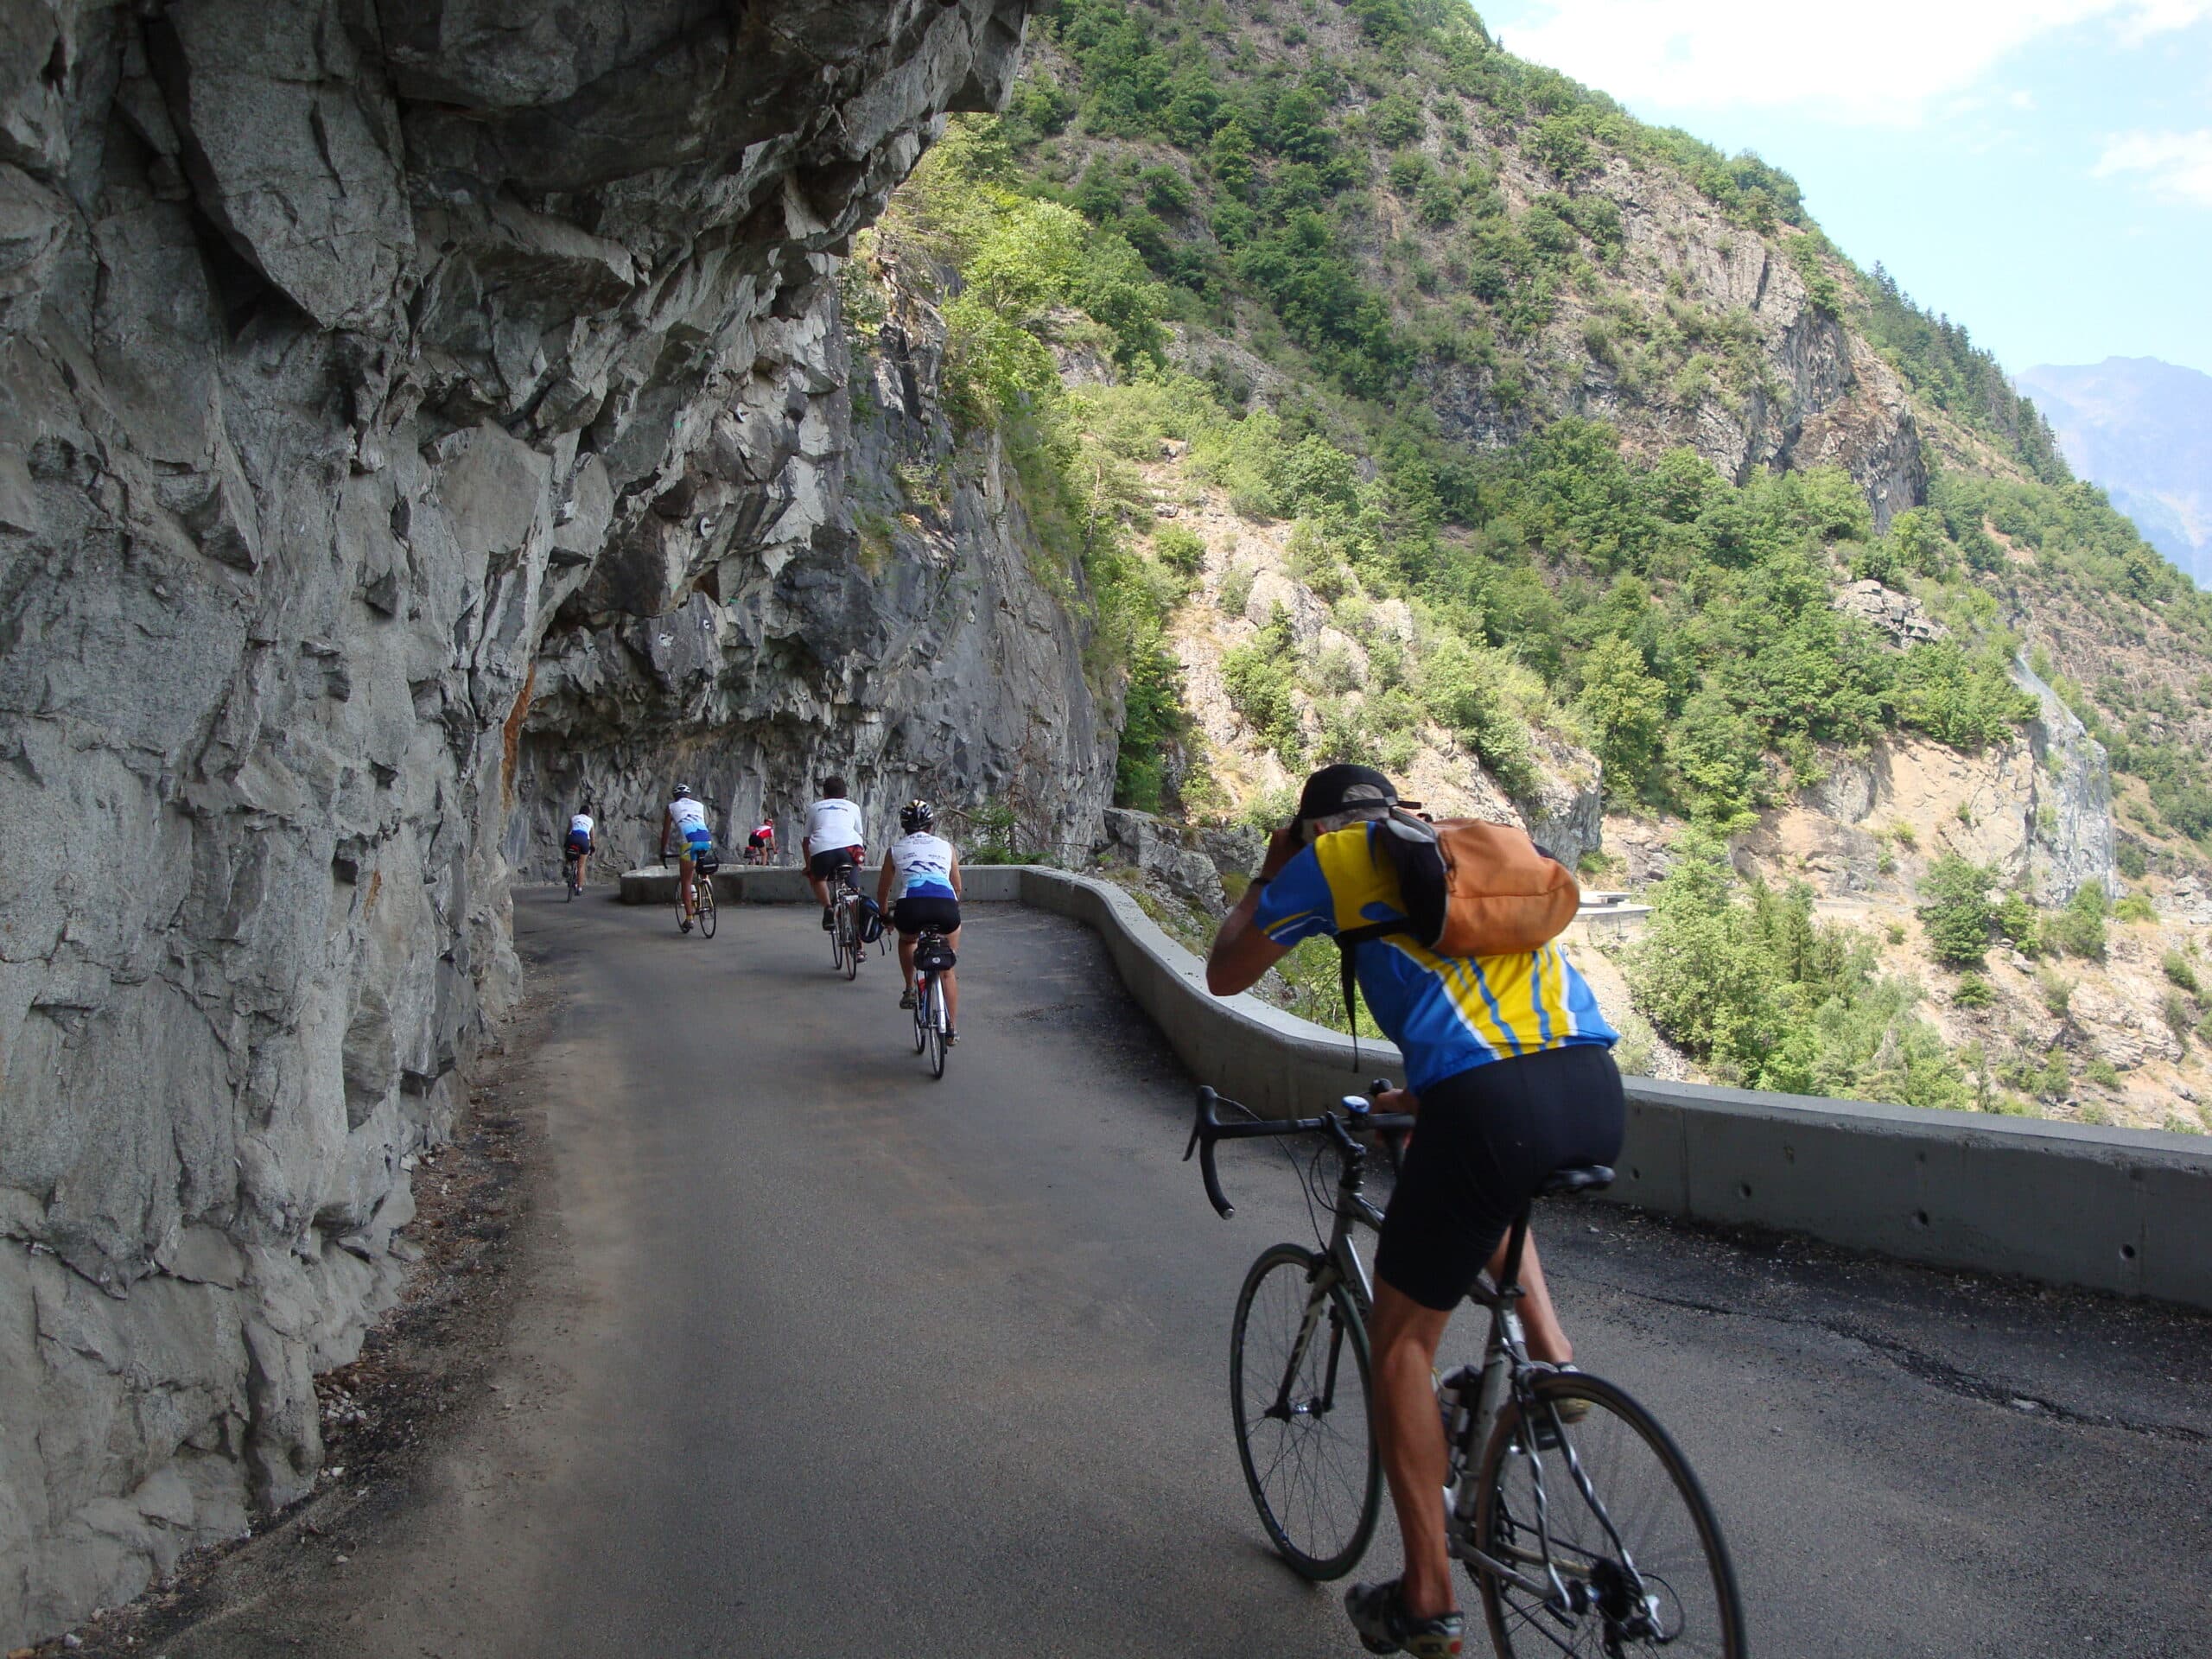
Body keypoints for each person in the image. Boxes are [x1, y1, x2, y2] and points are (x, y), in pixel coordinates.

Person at [1204, 764, 1623, 1659]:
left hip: (1489, 1106)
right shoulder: (1457, 852)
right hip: (1591, 1086)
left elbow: (1225, 972)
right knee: (1480, 1182)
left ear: (1313, 827)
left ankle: (1427, 1597)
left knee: (1400, 1348)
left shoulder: (1329, 862)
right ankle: (1552, 1366)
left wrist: (1271, 871)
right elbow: (1494, 1013)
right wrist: (1421, 1101)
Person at [877, 799, 963, 1046]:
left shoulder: (895, 850)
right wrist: (949, 910)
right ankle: (951, 1030)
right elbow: (957, 887)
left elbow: (883, 890)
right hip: (945, 907)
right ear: (931, 825)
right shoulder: (947, 847)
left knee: (907, 941)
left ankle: (910, 989)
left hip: (911, 907)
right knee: (947, 970)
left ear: (904, 826)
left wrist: (885, 916)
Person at [803, 774, 867, 931]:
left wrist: (809, 865)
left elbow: (806, 841)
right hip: (849, 849)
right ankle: (858, 938)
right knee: (853, 892)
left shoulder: (814, 808)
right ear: (844, 794)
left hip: (822, 850)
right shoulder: (853, 807)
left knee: (818, 879)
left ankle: (828, 907)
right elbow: (859, 835)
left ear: (824, 794)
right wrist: (860, 863)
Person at [662, 784, 714, 932]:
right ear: (689, 796)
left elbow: (666, 832)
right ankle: (708, 894)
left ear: (675, 797)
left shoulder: (671, 807)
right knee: (703, 870)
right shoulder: (699, 805)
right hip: (706, 840)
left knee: (686, 880)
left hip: (689, 842)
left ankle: (690, 918)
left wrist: (663, 851)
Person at [564, 801, 595, 889]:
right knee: (581, 866)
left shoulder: (574, 818)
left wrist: (566, 843)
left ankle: (567, 864)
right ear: (588, 813)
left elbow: (568, 831)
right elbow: (592, 836)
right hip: (584, 840)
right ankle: (579, 888)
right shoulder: (590, 821)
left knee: (568, 852)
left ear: (579, 812)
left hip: (573, 837)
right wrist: (592, 847)